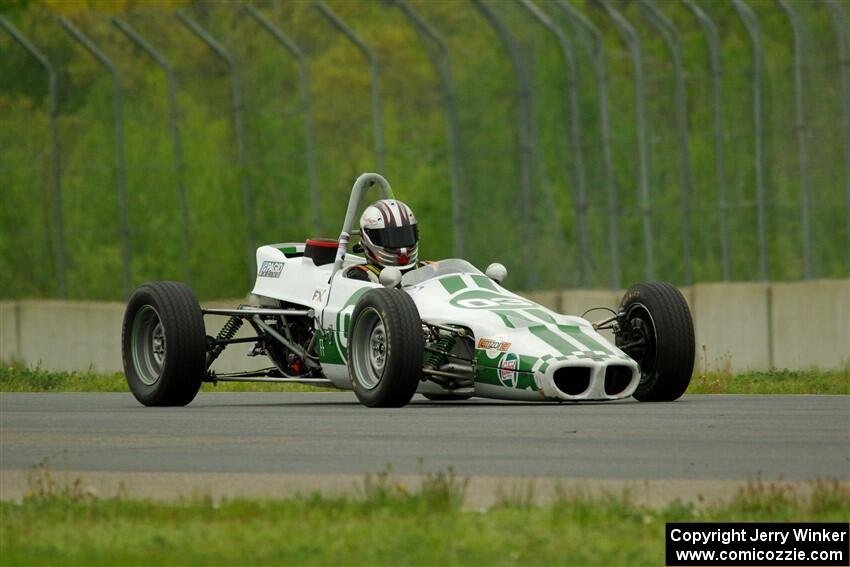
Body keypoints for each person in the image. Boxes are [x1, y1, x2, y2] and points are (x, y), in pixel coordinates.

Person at [346, 199, 424, 282]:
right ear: (367, 237)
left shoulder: (428, 268)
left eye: (404, 236)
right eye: (391, 238)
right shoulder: (360, 276)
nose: (402, 249)